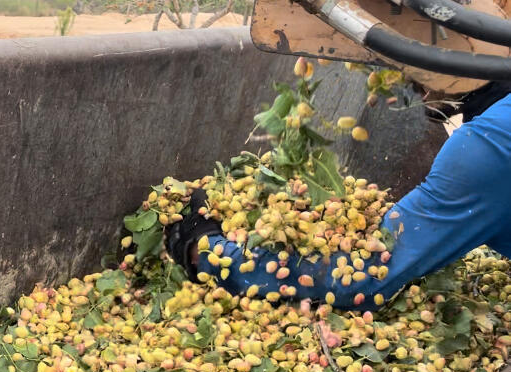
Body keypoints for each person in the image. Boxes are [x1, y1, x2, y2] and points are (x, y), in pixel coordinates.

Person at [166, 81, 511, 311]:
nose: (410, 89)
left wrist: (207, 252)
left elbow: (362, 278)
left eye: (418, 79)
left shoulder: (490, 144)